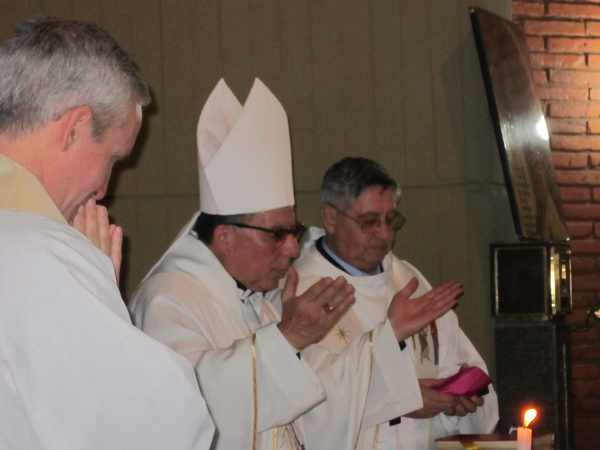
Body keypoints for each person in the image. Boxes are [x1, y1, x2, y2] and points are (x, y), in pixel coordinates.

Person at [130, 79, 462, 450]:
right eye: (277, 234)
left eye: (294, 232)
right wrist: (287, 337)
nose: (292, 249)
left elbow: (316, 405)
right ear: (225, 236)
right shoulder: (169, 300)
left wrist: (386, 340)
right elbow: (191, 406)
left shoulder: (260, 301)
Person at [0, 17, 214, 450]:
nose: (103, 189)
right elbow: (155, 428)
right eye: (113, 159)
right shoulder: (44, 256)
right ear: (74, 128)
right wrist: (94, 286)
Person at [293, 157, 500, 450]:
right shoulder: (303, 292)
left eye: (391, 220)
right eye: (369, 222)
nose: (384, 234)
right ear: (330, 218)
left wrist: (458, 401)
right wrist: (400, 400)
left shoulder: (408, 279)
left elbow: (461, 364)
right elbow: (308, 407)